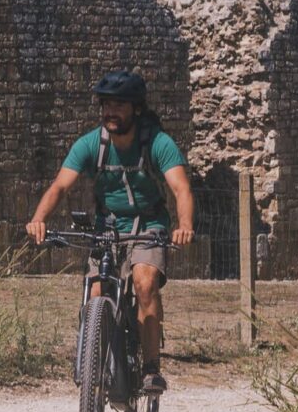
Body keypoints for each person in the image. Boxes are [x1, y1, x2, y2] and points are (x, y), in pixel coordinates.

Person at [25, 70, 193, 394]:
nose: (110, 112)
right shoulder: (91, 144)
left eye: (119, 105)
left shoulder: (157, 142)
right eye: (106, 105)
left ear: (136, 108)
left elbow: (180, 188)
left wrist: (184, 225)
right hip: (108, 227)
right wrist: (39, 218)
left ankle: (150, 368)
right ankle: (93, 365)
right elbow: (60, 186)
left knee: (144, 282)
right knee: (96, 293)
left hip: (148, 226)